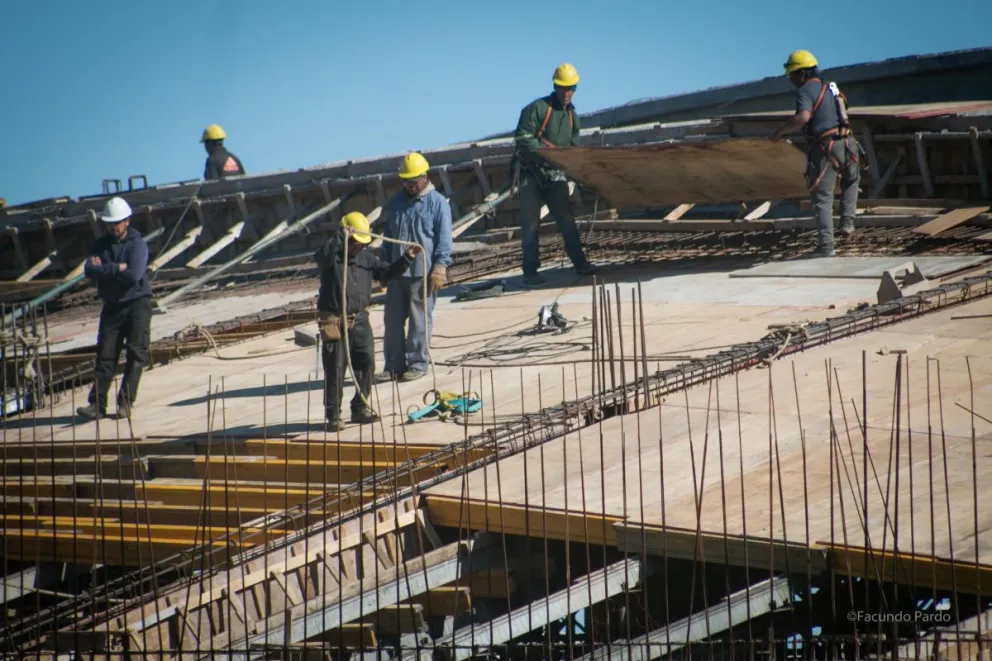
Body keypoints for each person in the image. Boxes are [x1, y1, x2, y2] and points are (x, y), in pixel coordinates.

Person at [315, 211, 421, 430]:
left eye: (361, 244)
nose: (357, 247)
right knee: (335, 369)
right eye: (354, 243)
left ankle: (360, 406)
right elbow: (322, 255)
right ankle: (333, 415)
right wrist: (341, 236)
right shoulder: (331, 258)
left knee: (367, 363)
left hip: (360, 319)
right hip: (335, 320)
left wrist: (407, 258)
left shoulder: (366, 259)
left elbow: (386, 273)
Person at [771, 50, 863, 257]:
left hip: (826, 147)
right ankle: (847, 223)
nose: (791, 80)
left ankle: (826, 246)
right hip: (849, 143)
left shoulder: (805, 90)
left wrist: (780, 132)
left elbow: (803, 118)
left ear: (802, 73)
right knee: (851, 181)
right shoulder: (831, 87)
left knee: (822, 198)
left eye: (792, 75)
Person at [512, 62, 596, 285]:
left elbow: (573, 151)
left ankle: (580, 264)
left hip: (555, 176)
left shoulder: (572, 118)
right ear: (555, 86)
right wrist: (546, 155)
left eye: (571, 88)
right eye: (563, 87)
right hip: (531, 174)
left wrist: (581, 174)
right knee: (531, 224)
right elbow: (522, 138)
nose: (567, 92)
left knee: (566, 219)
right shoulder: (538, 108)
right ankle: (530, 272)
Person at [376, 152, 452, 384]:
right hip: (397, 273)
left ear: (425, 177)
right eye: (405, 181)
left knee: (419, 321)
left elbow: (444, 239)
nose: (409, 185)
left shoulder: (438, 203)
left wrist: (440, 267)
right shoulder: (396, 203)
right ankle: (393, 366)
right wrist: (384, 269)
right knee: (392, 321)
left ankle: (418, 363)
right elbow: (388, 239)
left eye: (413, 181)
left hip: (422, 273)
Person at [76, 197, 153, 421]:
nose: (113, 227)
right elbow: (90, 271)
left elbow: (134, 275)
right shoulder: (100, 245)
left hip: (137, 303)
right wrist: (117, 267)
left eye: (117, 223)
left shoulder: (137, 244)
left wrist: (106, 271)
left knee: (136, 353)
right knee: (105, 356)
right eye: (110, 223)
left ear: (127, 221)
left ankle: (125, 403)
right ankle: (96, 405)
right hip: (112, 306)